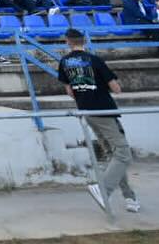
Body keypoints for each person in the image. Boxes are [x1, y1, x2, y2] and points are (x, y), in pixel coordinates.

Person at [57, 28, 139, 215]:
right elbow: (116, 88)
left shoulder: (64, 62)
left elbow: (69, 91)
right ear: (84, 41)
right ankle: (104, 189)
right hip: (103, 109)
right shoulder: (95, 60)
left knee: (113, 154)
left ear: (67, 41)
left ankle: (129, 197)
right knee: (123, 154)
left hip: (85, 110)